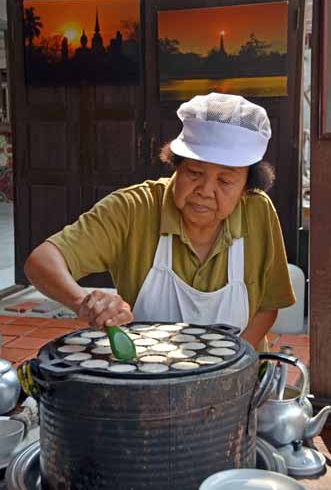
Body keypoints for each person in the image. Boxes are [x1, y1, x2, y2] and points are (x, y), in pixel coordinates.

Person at [25, 93, 295, 350]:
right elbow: (42, 261)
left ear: (247, 186)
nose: (205, 190)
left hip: (239, 376)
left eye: (224, 180)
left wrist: (231, 364)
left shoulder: (257, 211)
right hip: (149, 377)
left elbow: (268, 305)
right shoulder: (131, 209)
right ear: (176, 164)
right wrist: (83, 302)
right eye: (194, 172)